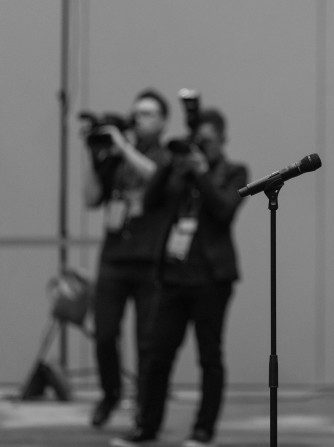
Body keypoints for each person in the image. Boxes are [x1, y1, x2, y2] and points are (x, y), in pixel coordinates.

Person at [111, 109, 248, 446]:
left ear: (222, 139)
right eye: (195, 143)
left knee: (209, 358)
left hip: (212, 281)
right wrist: (171, 164)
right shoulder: (178, 173)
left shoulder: (233, 171)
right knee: (157, 356)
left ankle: (203, 430)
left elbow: (224, 210)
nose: (200, 148)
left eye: (207, 142)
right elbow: (151, 199)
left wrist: (201, 172)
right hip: (172, 278)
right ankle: (147, 426)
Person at [84, 89, 171, 428]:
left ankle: (144, 406)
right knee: (104, 333)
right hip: (115, 257)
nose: (140, 119)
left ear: (164, 121)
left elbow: (155, 177)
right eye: (136, 113)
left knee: (147, 341)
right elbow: (91, 198)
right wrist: (91, 154)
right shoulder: (116, 158)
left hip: (150, 260)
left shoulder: (167, 155)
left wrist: (122, 145)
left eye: (149, 113)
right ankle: (111, 392)